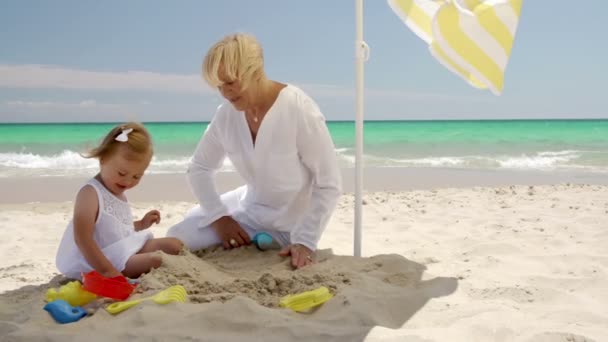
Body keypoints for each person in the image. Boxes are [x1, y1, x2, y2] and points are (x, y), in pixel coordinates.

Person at [167, 33, 341, 269]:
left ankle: (269, 242)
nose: (225, 93)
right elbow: (199, 168)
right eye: (218, 86)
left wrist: (306, 241)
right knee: (176, 235)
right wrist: (219, 217)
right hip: (247, 212)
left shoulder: (298, 108)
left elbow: (328, 183)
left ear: (255, 70)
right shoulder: (226, 114)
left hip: (291, 227)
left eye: (230, 82)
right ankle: (258, 241)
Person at [56, 122, 183, 280]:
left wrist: (141, 224)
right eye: (122, 173)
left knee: (174, 245)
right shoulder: (90, 193)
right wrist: (108, 271)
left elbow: (115, 231)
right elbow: (83, 238)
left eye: (137, 176)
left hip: (122, 250)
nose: (128, 181)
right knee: (157, 260)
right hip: (100, 261)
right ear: (103, 159)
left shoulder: (117, 190)